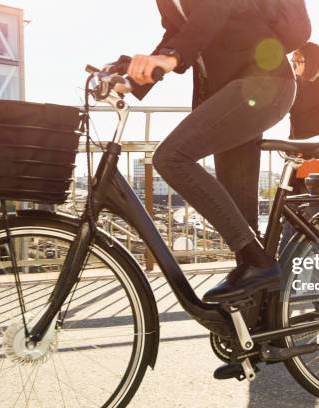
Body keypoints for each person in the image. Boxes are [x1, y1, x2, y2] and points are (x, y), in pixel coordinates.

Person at [115, 1, 297, 302]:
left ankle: (260, 264)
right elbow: (178, 35)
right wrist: (131, 76)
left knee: (171, 156)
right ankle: (266, 331)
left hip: (264, 83)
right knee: (243, 222)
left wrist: (172, 56)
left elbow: (214, 11)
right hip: (232, 94)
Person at [280, 42, 319, 251]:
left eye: (298, 61)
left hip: (313, 156)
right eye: (293, 61)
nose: (295, 65)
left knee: (314, 217)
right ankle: (285, 260)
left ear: (310, 60)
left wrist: (297, 80)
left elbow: (307, 117)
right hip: (299, 155)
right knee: (292, 211)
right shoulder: (305, 84)